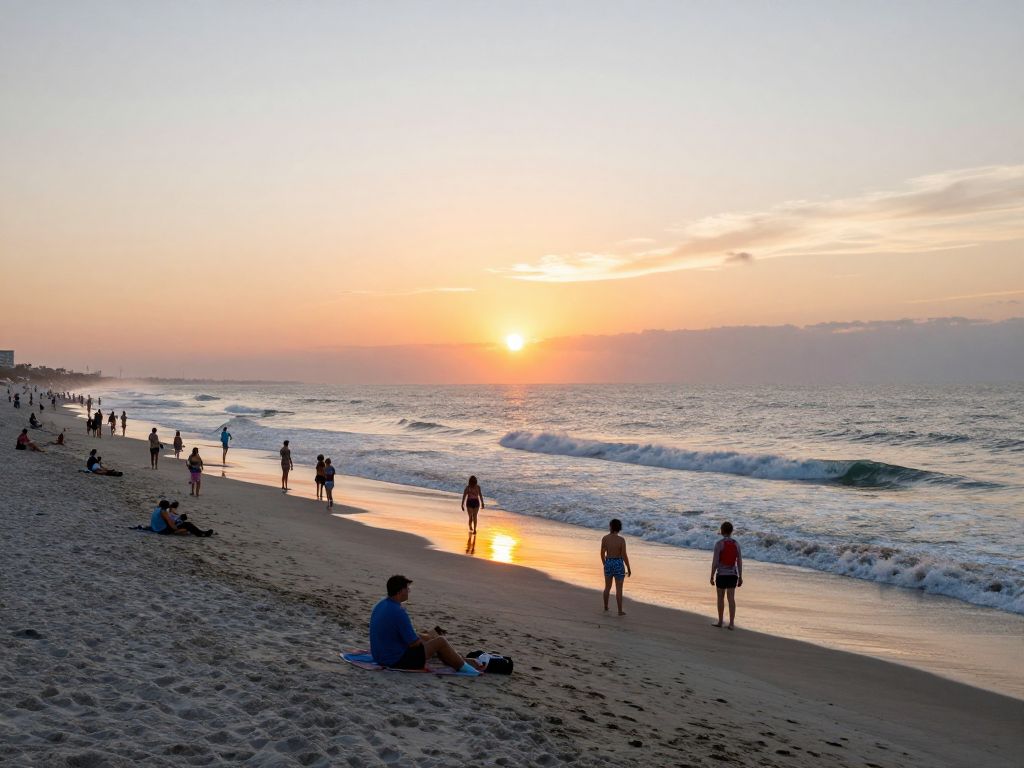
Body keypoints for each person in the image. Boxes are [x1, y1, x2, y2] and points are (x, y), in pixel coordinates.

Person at [369, 575, 482, 674]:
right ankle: (465, 668)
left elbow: (397, 632)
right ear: (400, 592)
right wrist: (428, 640)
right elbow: (414, 644)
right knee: (440, 641)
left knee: (430, 639)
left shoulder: (381, 604)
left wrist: (426, 638)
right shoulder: (399, 612)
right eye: (407, 589)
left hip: (379, 656)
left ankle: (461, 660)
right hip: (395, 661)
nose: (409, 591)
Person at [710, 521, 743, 630]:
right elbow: (739, 562)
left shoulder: (719, 544)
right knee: (731, 599)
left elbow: (715, 562)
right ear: (731, 531)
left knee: (720, 598)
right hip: (732, 575)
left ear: (722, 531)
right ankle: (731, 624)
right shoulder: (736, 544)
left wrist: (711, 576)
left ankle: (720, 621)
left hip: (721, 575)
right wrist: (740, 576)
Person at [601, 519, 632, 615]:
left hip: (609, 562)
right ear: (619, 528)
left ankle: (606, 606)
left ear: (610, 527)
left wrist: (605, 563)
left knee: (607, 587)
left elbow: (602, 553)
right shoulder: (621, 540)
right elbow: (624, 555)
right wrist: (628, 568)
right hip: (618, 563)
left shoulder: (605, 538)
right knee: (619, 588)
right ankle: (619, 611)